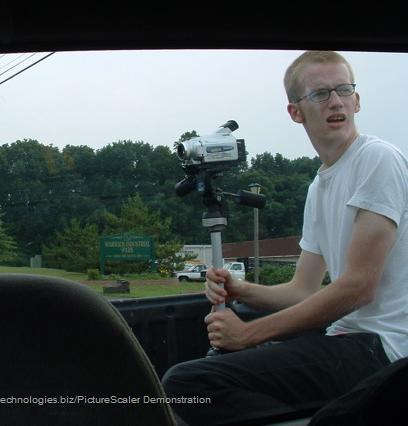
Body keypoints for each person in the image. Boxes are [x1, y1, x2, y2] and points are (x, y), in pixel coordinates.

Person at [162, 51, 408, 425]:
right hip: (346, 338)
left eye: (343, 90)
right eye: (320, 93)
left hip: (386, 350)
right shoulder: (319, 187)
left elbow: (359, 288)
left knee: (189, 383)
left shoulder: (377, 159)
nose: (336, 101)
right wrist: (241, 290)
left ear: (357, 100)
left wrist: (249, 335)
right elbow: (303, 290)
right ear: (296, 112)